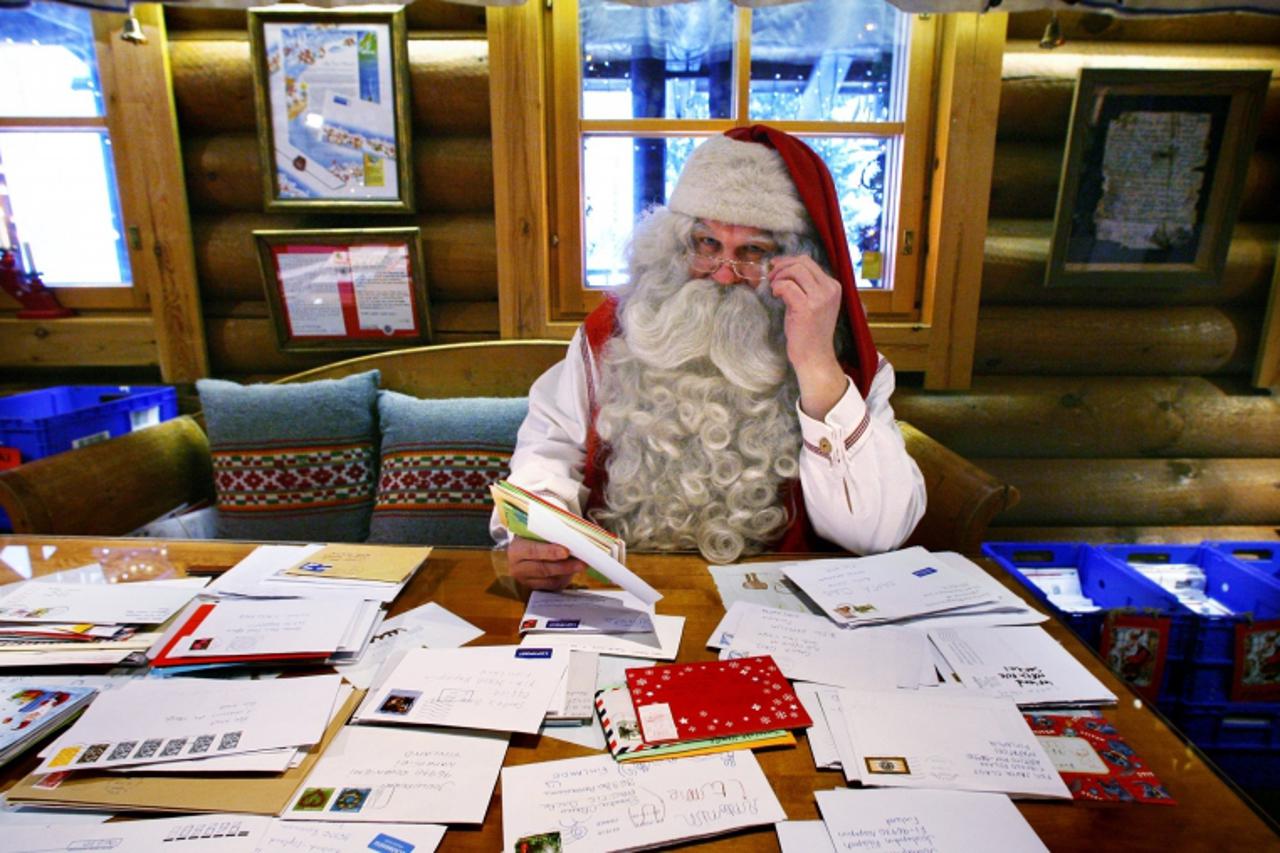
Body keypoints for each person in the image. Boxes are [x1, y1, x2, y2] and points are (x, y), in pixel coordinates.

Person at [493, 125, 926, 589]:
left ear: (799, 262)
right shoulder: (611, 335)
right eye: (707, 245)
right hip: (626, 593)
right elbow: (550, 449)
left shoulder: (846, 365)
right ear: (678, 243)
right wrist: (541, 528)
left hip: (779, 607)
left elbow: (876, 534)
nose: (722, 275)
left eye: (753, 251)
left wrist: (817, 367)